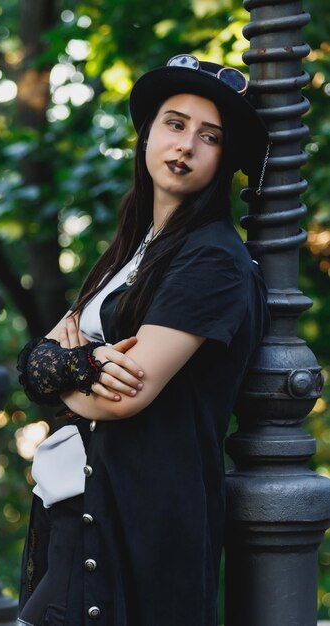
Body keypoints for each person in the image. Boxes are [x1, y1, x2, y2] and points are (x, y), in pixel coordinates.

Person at [16, 54, 270, 626]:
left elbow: (123, 396)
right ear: (148, 132)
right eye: (175, 124)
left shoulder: (214, 261)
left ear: (225, 157)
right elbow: (36, 362)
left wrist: (69, 367)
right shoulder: (133, 252)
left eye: (210, 137)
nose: (186, 145)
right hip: (83, 516)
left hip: (142, 521)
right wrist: (82, 366)